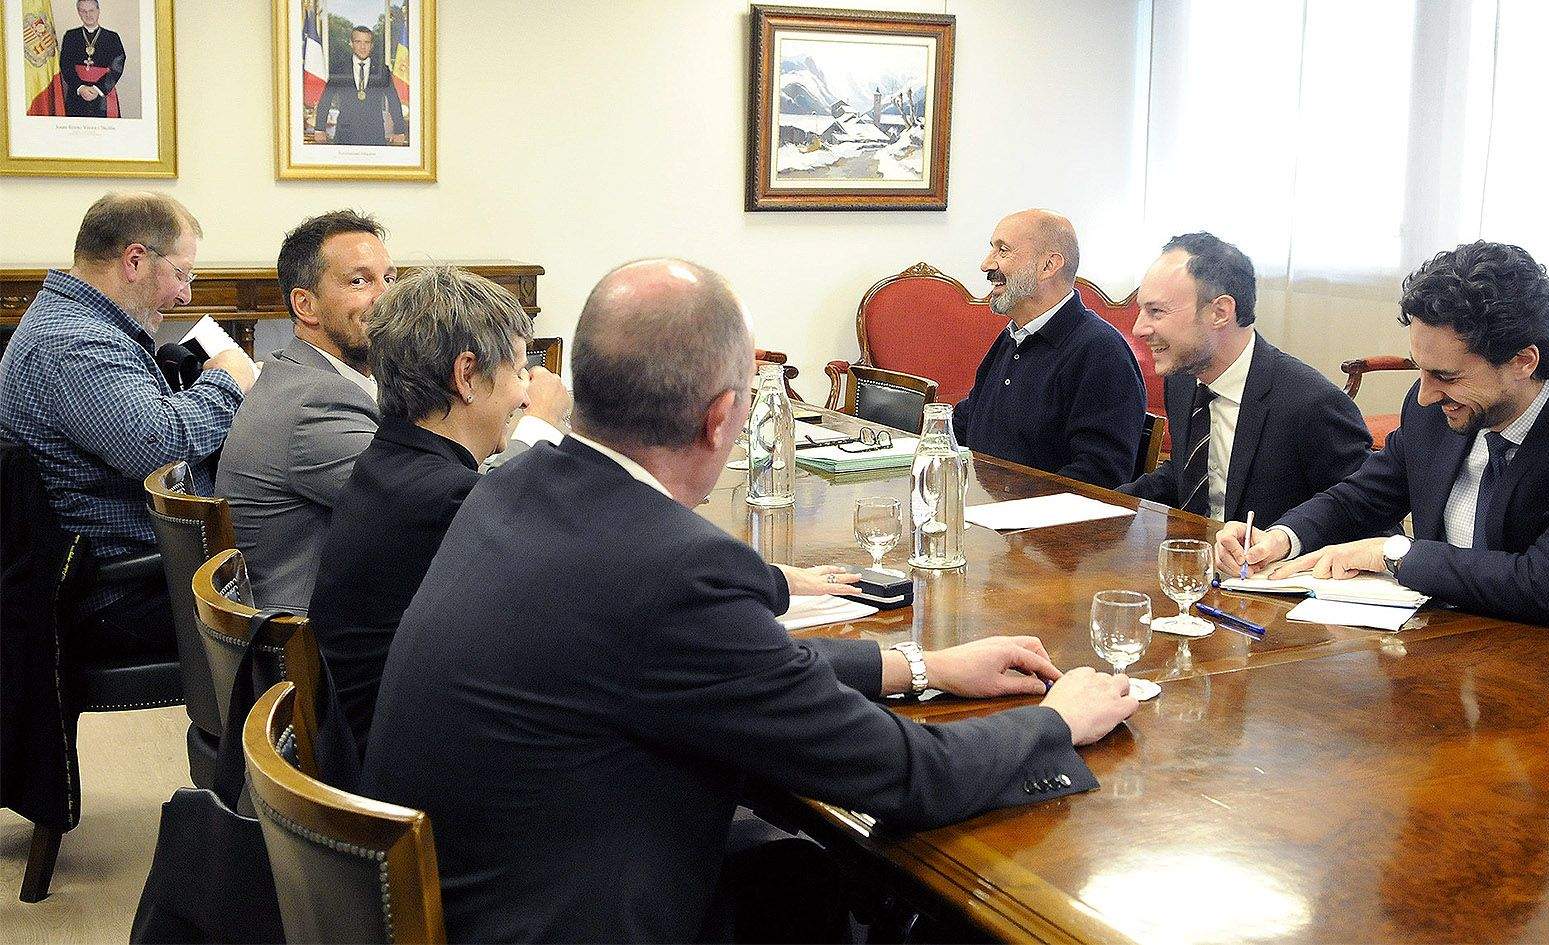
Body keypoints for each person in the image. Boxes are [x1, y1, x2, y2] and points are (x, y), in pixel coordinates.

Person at [359, 258, 1139, 942]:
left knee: (799, 872)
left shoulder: (516, 485)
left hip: (472, 896)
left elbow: (726, 663)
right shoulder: (668, 568)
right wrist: (1056, 721)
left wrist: (918, 665)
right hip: (570, 918)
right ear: (720, 418)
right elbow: (909, 776)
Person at [1216, 241, 1549, 639]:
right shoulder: (1433, 405)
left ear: (1523, 361)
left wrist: (1394, 555)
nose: (1425, 394)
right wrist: (1282, 537)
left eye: (1446, 376)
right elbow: (1362, 497)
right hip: (1449, 646)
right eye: (1420, 369)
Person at [217, 211, 568, 609]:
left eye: (389, 278)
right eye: (359, 281)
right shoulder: (315, 404)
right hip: (303, 634)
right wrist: (538, 424)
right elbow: (457, 506)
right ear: (306, 305)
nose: (385, 297)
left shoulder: (307, 377)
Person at [307, 266, 570, 751]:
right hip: (404, 764)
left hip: (376, 737)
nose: (523, 395)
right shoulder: (445, 499)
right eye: (517, 372)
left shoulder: (388, 464)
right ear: (466, 375)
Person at [0, 192, 255, 655]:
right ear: (135, 260)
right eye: (181, 274)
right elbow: (159, 445)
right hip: (121, 590)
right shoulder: (76, 344)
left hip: (131, 570)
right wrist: (228, 380)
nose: (185, 294)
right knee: (301, 599)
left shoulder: (80, 325)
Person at [1118, 232, 1371, 526]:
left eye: (1156, 311)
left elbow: (1368, 516)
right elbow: (1186, 475)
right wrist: (1101, 503)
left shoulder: (1312, 404)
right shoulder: (1183, 381)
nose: (1138, 328)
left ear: (1220, 312)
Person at [954, 209, 1146, 488]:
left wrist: (1013, 507)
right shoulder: (1013, 336)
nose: (986, 264)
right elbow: (966, 423)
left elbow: (1099, 476)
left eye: (1003, 251)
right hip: (987, 506)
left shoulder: (1101, 351)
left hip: (1038, 515)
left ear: (1048, 266)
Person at [311, 26, 408, 146]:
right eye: (358, 42)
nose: (363, 47)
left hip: (375, 135)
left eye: (367, 42)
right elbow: (326, 99)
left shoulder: (382, 70)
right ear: (351, 44)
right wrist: (319, 129)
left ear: (371, 45)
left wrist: (399, 130)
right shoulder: (339, 69)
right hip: (345, 135)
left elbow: (393, 101)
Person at [59, 0, 125, 119]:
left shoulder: (112, 37)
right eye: (83, 11)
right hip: (77, 93)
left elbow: (117, 66)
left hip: (103, 93)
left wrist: (98, 89)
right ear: (78, 12)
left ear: (98, 11)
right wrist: (80, 88)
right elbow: (65, 65)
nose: (88, 15)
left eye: (91, 10)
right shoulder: (70, 36)